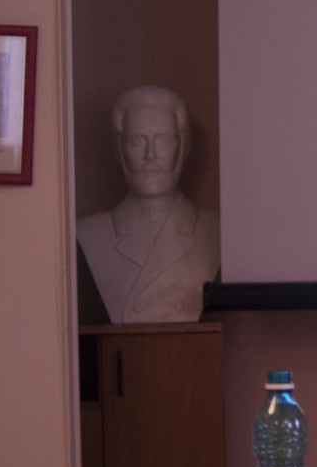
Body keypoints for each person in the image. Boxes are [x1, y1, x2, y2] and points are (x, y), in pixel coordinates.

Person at [77, 85, 219, 323]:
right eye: (137, 141)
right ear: (119, 150)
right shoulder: (86, 234)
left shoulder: (217, 232)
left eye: (163, 141)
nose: (150, 155)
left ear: (183, 148)